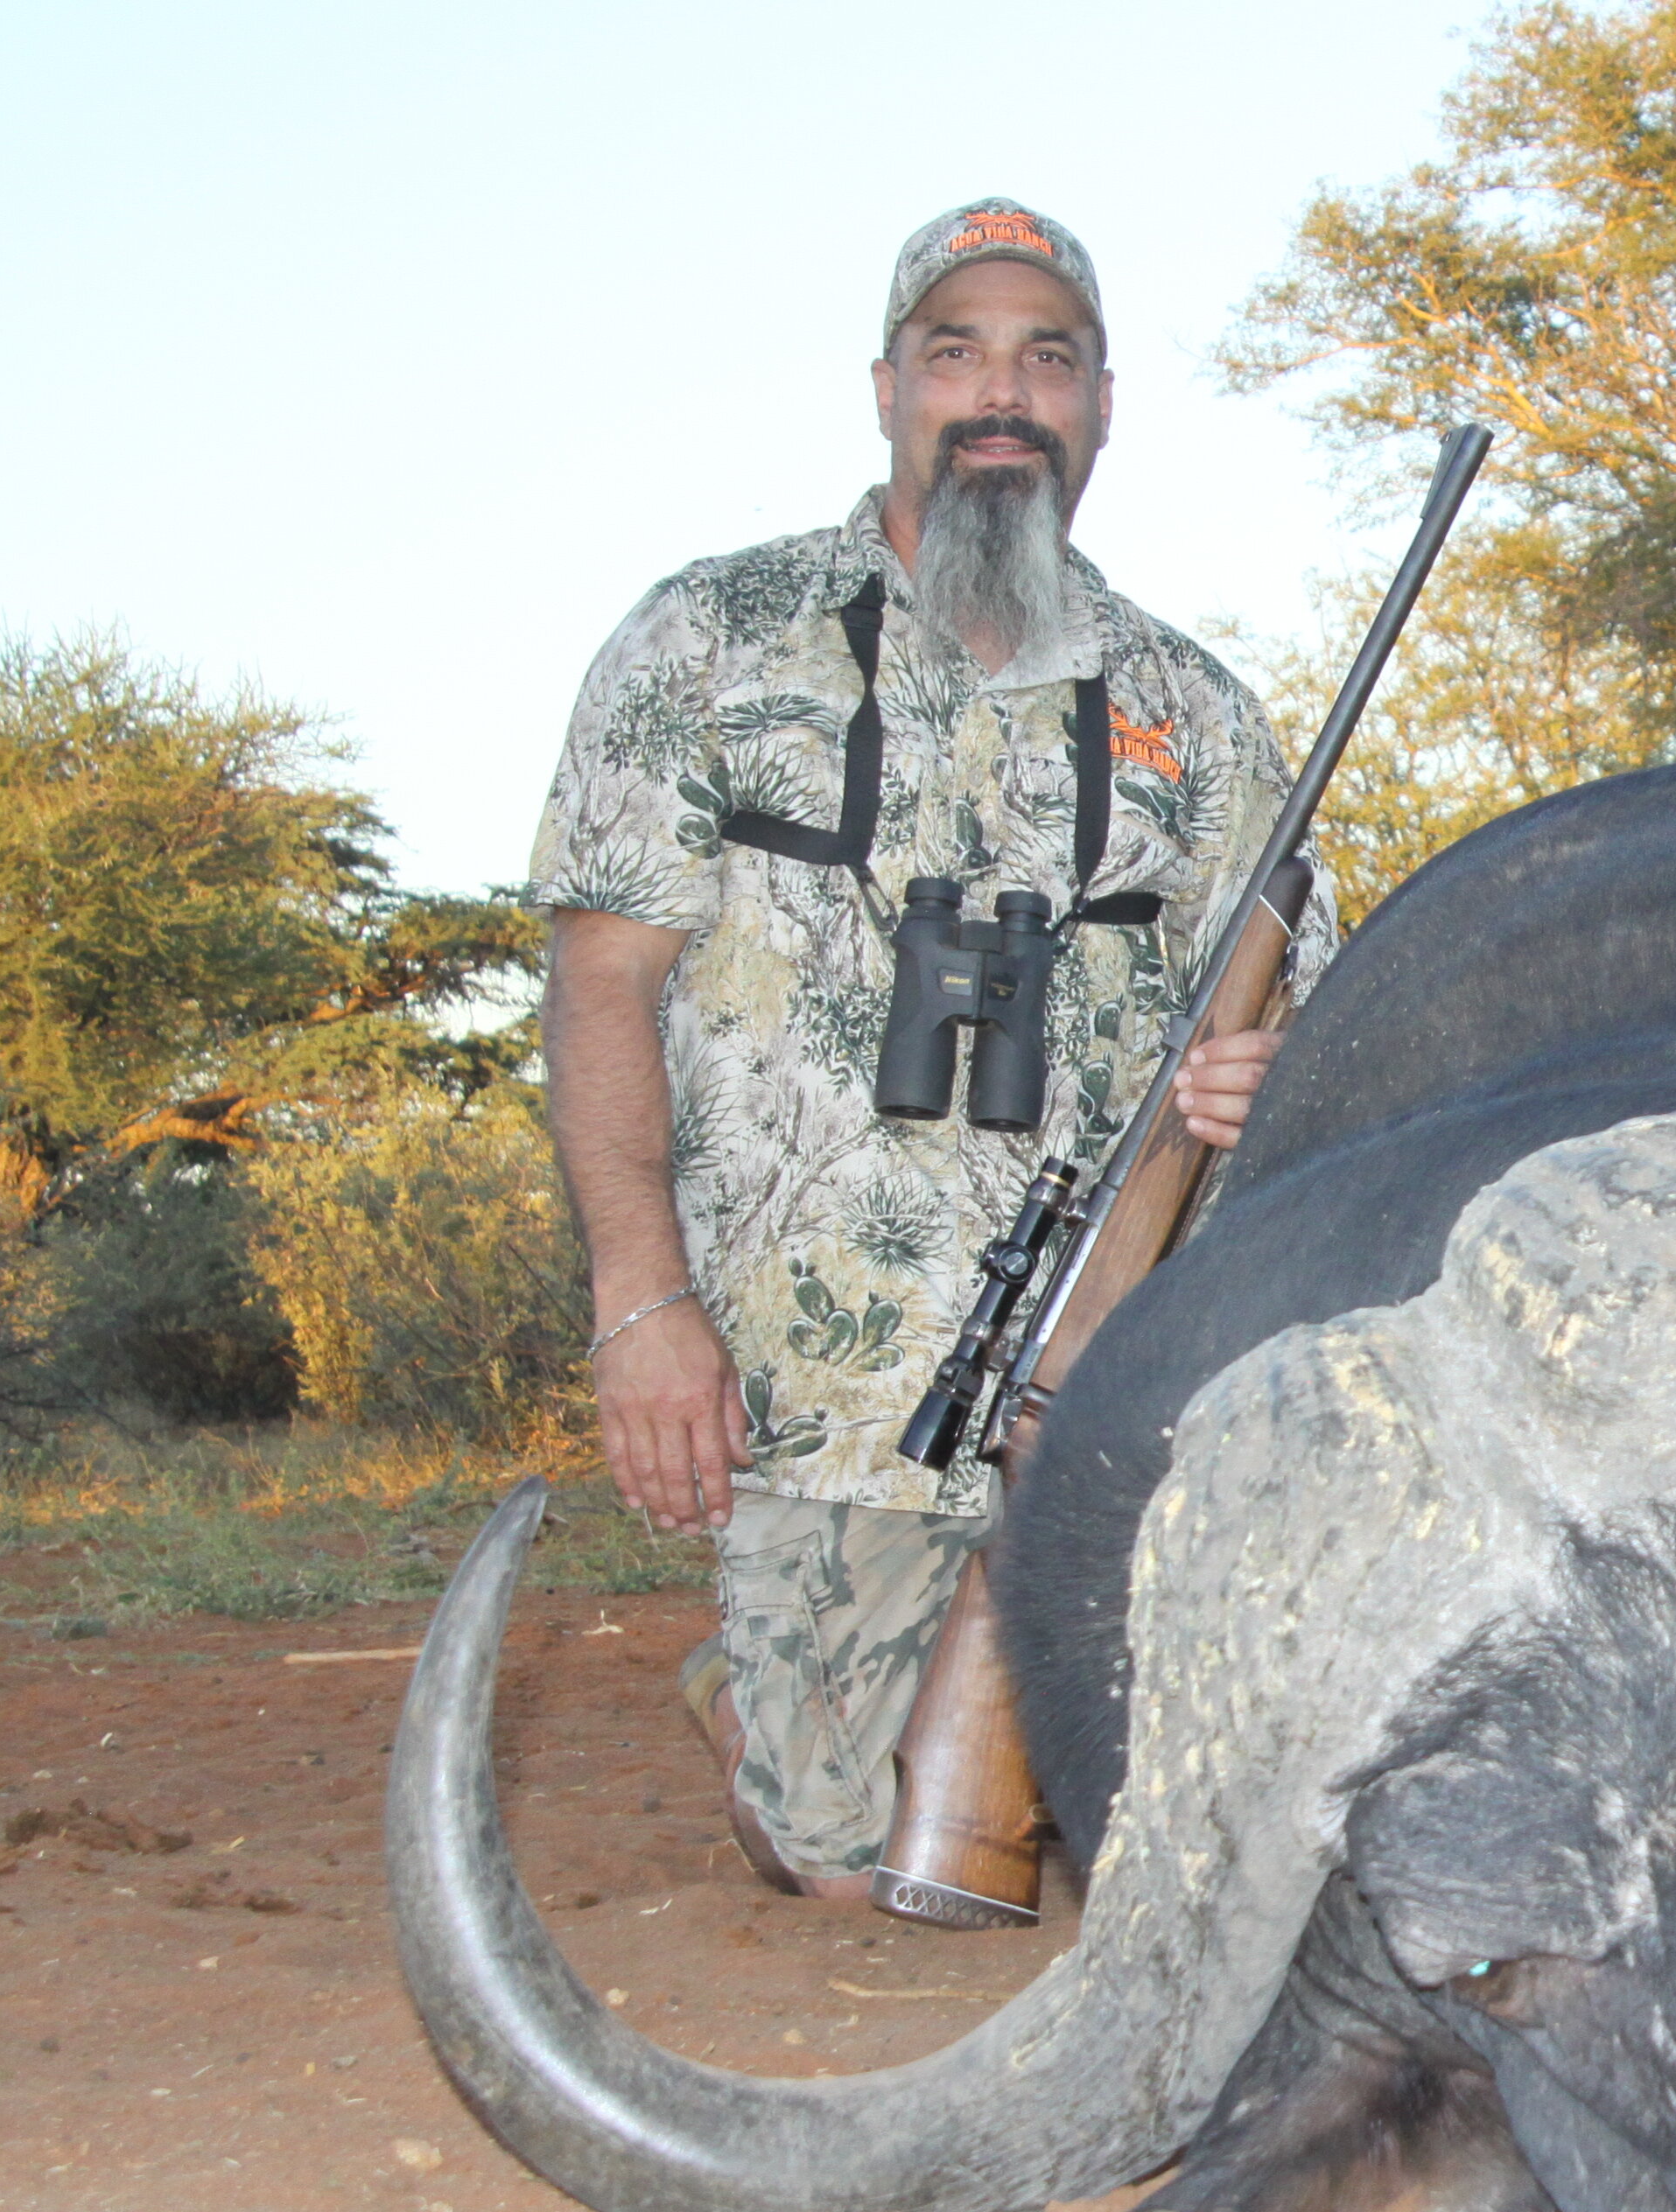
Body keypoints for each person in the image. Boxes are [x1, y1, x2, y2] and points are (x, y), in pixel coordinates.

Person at [533, 198, 1321, 1904]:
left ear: (1102, 405)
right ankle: (775, 1697)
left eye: (1048, 357)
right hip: (823, 1396)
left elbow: (1306, 1025)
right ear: (888, 388)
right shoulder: (709, 642)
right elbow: (601, 988)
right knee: (873, 1874)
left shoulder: (1197, 716)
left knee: (1182, 1863)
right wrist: (641, 1305)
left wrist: (1271, 1090)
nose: (1000, 392)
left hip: (1109, 1377)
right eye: (956, 350)